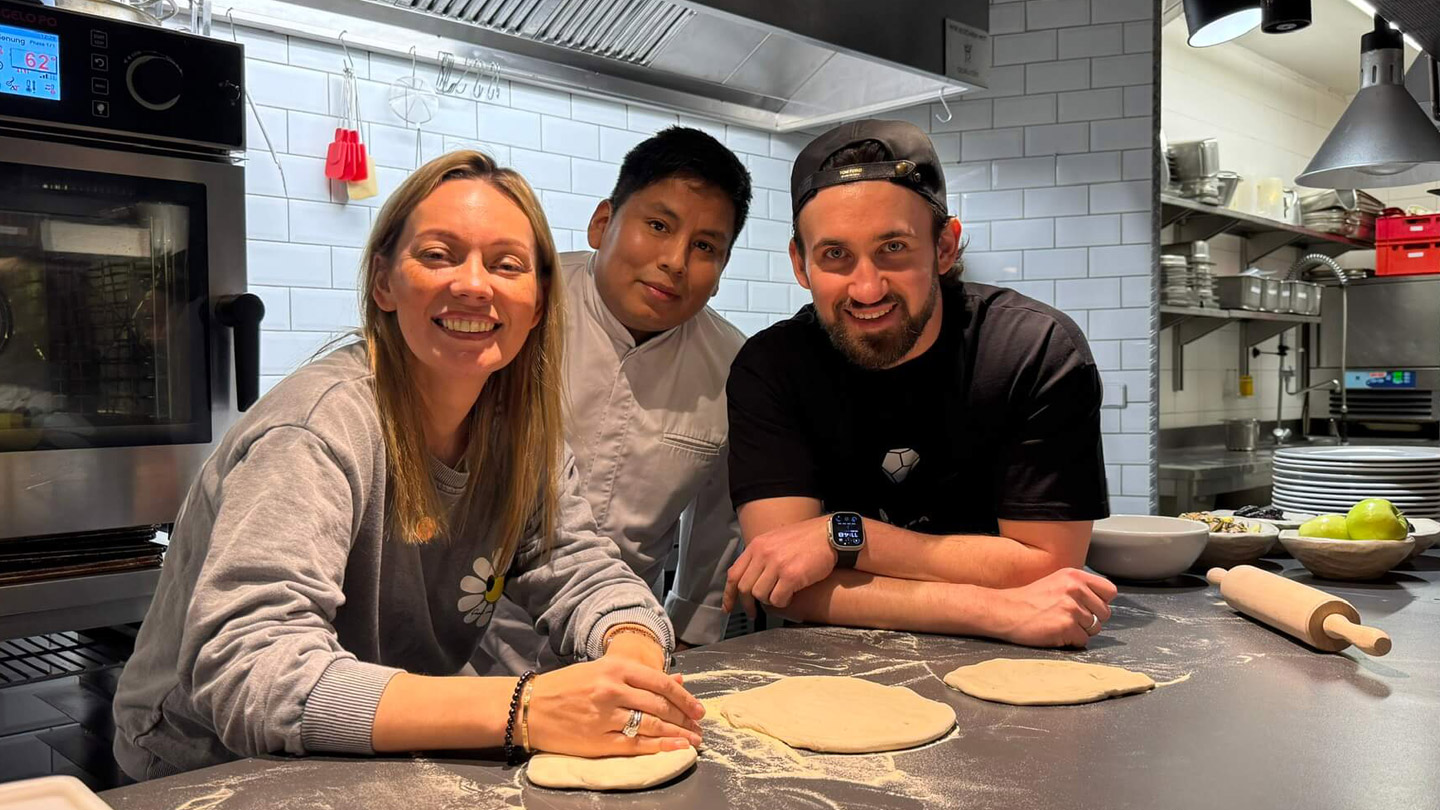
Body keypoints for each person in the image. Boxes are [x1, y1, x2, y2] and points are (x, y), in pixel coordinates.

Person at [112, 152, 704, 780]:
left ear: (537, 303)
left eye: (507, 265)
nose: (475, 284)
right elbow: (252, 667)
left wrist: (632, 657)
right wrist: (524, 708)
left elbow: (578, 568)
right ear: (384, 283)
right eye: (439, 254)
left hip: (365, 756)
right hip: (208, 769)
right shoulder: (318, 430)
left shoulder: (519, 434)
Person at [722, 120, 1117, 649]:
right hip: (831, 665)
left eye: (893, 248)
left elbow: (1046, 565)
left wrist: (842, 537)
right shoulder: (772, 367)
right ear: (801, 263)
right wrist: (992, 608)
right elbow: (783, 583)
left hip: (1018, 663)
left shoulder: (1032, 351)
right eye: (835, 255)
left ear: (945, 247)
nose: (866, 288)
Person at [476, 127, 751, 673]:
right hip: (472, 637)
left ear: (720, 272)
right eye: (657, 225)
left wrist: (692, 639)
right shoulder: (523, 306)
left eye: (705, 247)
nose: (675, 260)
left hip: (625, 644)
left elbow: (718, 522)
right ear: (603, 223)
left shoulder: (733, 366)